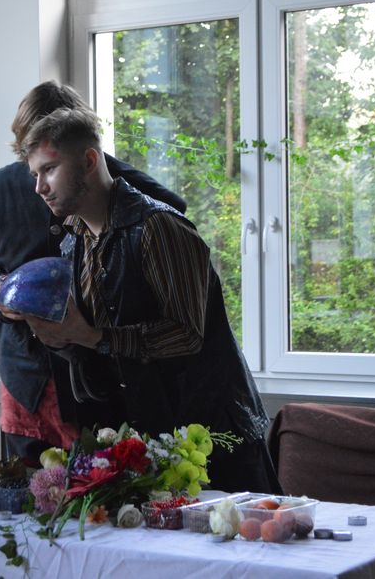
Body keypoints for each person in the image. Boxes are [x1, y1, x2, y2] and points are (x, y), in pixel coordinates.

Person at [20, 107, 281, 494]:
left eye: (49, 169)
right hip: (142, 438)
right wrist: (59, 337)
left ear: (89, 160)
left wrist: (93, 336)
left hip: (213, 439)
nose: (40, 187)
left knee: (252, 533)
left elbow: (186, 334)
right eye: (35, 175)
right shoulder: (73, 239)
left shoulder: (158, 228)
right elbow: (98, 342)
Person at [0, 80, 187, 463]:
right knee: (28, 482)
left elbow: (171, 209)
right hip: (24, 370)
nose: (42, 181)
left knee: (102, 477)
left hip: (100, 369)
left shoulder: (112, 175)